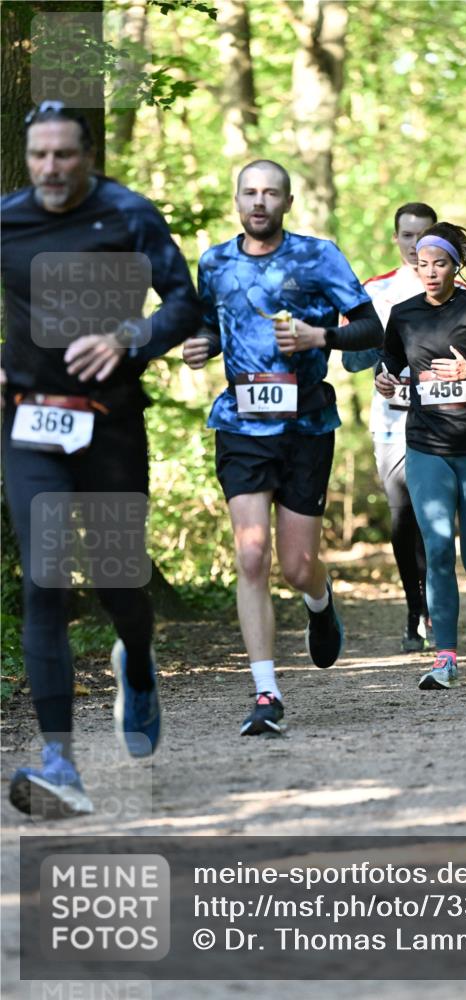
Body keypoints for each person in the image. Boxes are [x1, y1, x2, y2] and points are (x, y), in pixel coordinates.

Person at [1, 101, 202, 817]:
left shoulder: (127, 215)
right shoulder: (8, 219)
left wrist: (126, 336)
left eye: (64, 155)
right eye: (39, 155)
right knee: (44, 578)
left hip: (110, 425)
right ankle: (60, 762)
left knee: (119, 581)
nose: (50, 168)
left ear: (88, 156)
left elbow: (183, 304)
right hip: (30, 423)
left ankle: (137, 664)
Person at [182, 159, 383, 736]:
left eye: (271, 193)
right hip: (241, 425)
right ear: (237, 200)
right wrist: (202, 345)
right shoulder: (215, 262)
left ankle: (319, 601)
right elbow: (212, 326)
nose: (259, 201)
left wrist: (322, 336)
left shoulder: (319, 257)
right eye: (250, 192)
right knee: (251, 555)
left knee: (296, 568)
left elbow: (372, 329)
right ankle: (266, 692)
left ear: (288, 203)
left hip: (306, 426)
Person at [375, 222, 466, 691]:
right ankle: (445, 658)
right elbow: (390, 364)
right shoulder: (403, 315)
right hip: (426, 446)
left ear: (454, 267)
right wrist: (386, 379)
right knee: (438, 548)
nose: (430, 272)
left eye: (439, 264)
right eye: (422, 264)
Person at [344, 203, 466, 652]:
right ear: (395, 239)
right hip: (392, 423)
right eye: (407, 236)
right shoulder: (375, 290)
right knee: (403, 517)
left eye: (424, 235)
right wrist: (381, 354)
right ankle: (414, 610)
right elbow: (352, 360)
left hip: (444, 421)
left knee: (436, 518)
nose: (416, 245)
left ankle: (437, 609)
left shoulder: (457, 289)